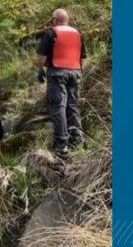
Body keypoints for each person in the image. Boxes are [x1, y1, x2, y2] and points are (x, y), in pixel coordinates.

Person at [36, 8, 87, 156]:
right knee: (73, 106)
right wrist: (79, 71)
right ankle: (77, 141)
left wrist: (40, 70)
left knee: (58, 106)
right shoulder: (77, 34)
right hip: (75, 72)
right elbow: (83, 57)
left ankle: (61, 144)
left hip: (57, 72)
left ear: (54, 20)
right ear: (67, 19)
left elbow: (42, 56)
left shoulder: (51, 33)